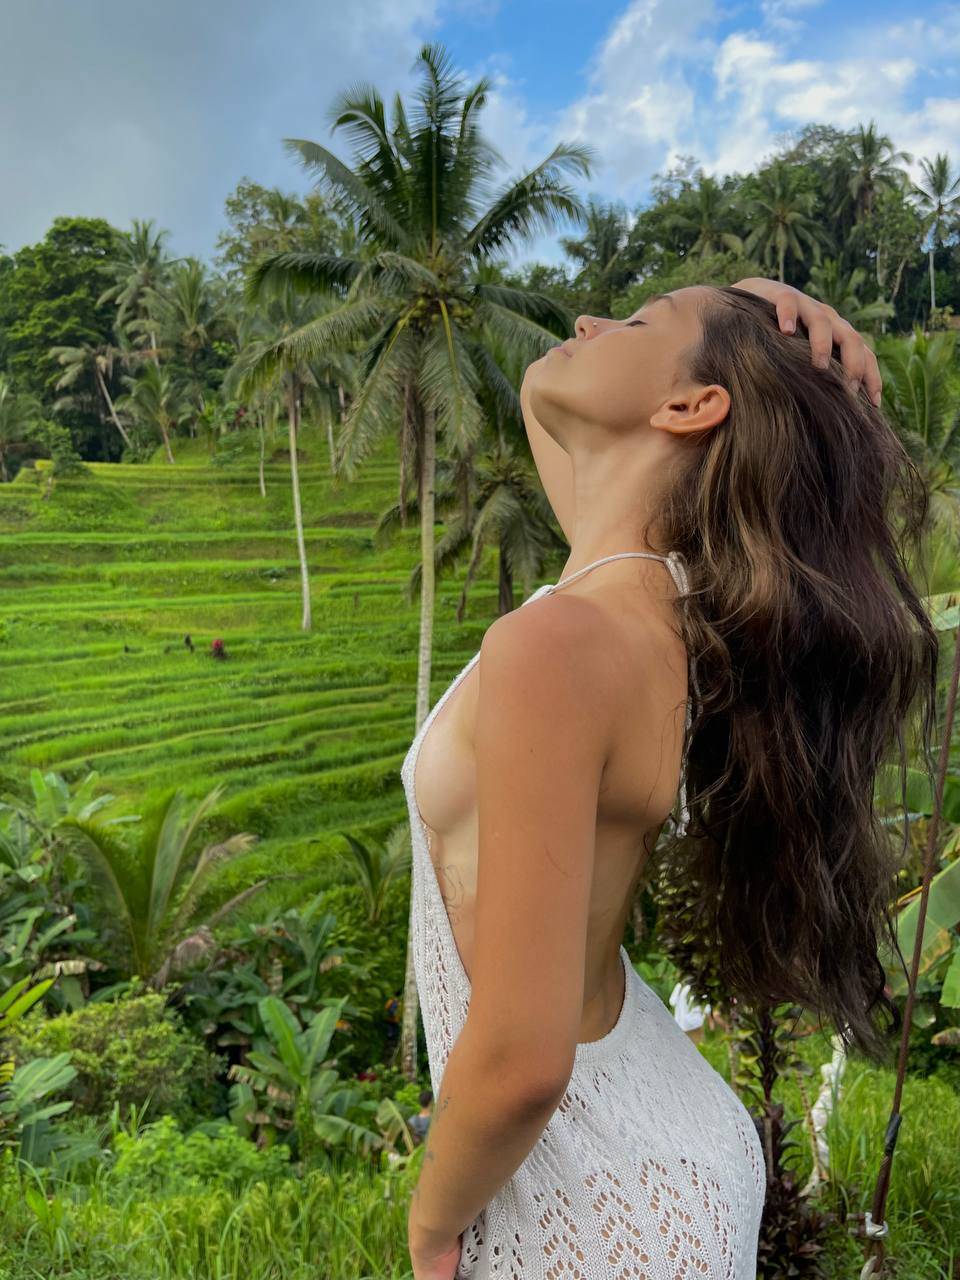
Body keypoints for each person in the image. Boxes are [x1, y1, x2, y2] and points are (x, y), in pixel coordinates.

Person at [400, 278, 938, 1280]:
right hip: (650, 1144)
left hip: (590, 1194)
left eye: (636, 321)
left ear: (691, 406)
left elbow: (521, 1059)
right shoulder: (653, 603)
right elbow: (543, 390)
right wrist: (751, 304)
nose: (586, 322)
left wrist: (429, 1226)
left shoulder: (559, 644)